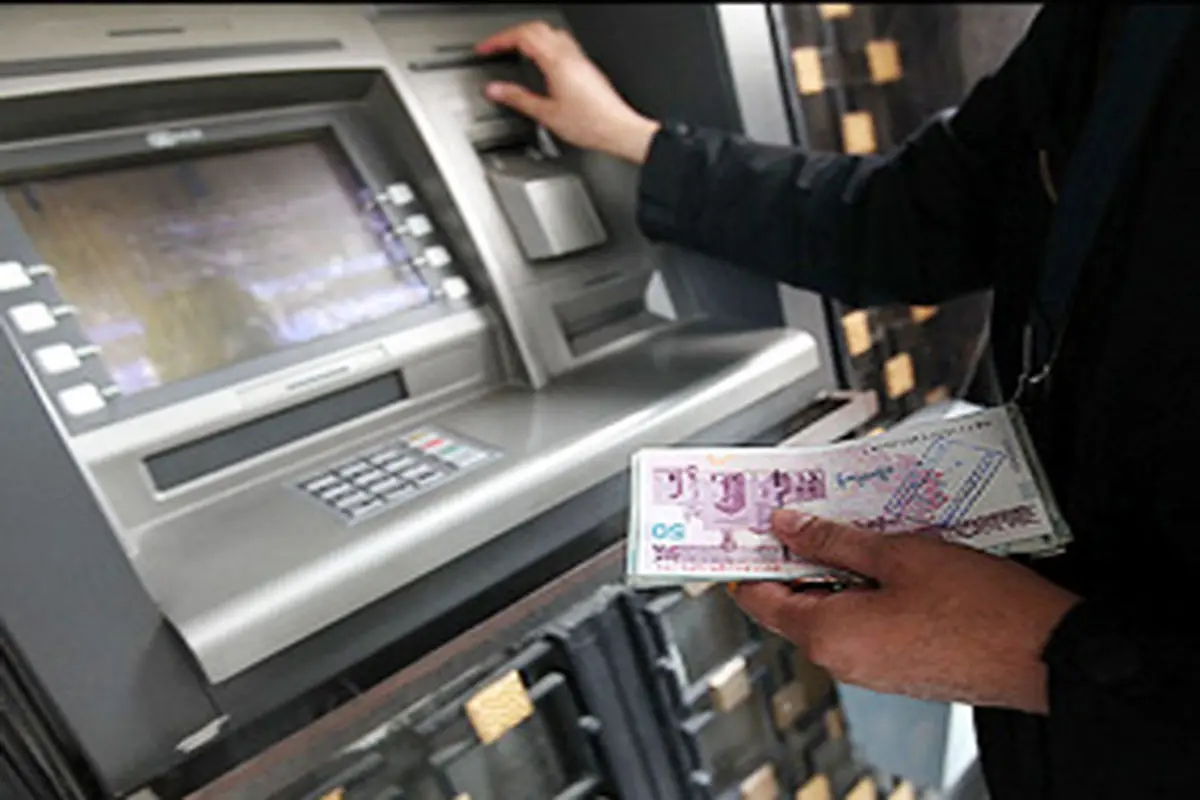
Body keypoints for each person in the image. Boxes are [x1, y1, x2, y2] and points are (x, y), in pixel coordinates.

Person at [477, 5, 1200, 799]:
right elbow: (905, 220)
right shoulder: (1133, 26)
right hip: (1041, 741)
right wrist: (636, 142)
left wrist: (1043, 660)